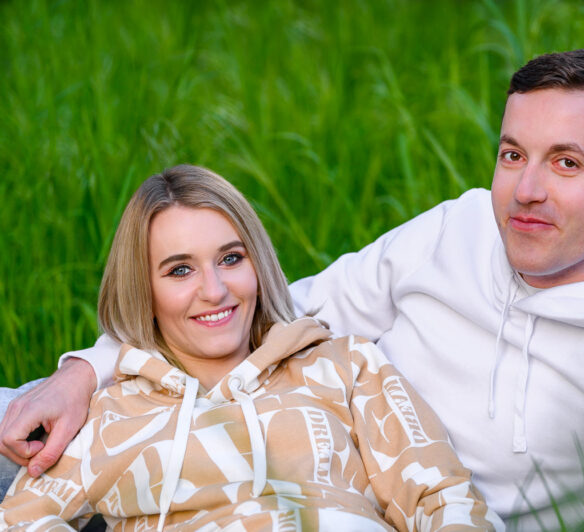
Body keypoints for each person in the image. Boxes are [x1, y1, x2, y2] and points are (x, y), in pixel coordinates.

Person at [1, 49, 584, 530]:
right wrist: (83, 372)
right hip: (257, 422)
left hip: (352, 506)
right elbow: (266, 314)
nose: (525, 191)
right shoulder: (458, 229)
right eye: (513, 154)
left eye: (567, 163)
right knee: (17, 425)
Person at [0, 166, 500, 531]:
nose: (215, 290)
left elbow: (443, 499)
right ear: (143, 291)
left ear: (257, 263)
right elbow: (21, 519)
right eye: (180, 270)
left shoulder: (345, 366)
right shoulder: (113, 412)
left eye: (230, 259)